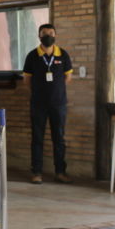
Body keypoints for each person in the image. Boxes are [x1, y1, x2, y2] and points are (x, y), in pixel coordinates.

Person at [22, 23, 73, 185]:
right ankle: (37, 172)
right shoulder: (32, 56)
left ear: (55, 35)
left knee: (59, 138)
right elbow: (27, 80)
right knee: (37, 138)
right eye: (45, 33)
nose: (48, 36)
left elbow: (68, 78)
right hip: (38, 104)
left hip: (59, 104)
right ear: (39, 36)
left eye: (51, 33)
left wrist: (56, 91)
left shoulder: (62, 55)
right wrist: (38, 93)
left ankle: (60, 172)